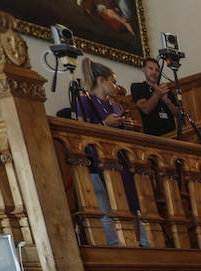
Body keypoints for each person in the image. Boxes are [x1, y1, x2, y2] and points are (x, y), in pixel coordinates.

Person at [72, 58, 145, 248]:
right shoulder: (85, 101)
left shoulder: (116, 106)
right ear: (101, 80)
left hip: (120, 160)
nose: (115, 86)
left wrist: (127, 126)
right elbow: (82, 132)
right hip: (97, 162)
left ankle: (139, 243)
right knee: (106, 209)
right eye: (112, 81)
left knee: (132, 205)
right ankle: (114, 245)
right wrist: (105, 124)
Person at [129, 56, 177, 137]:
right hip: (153, 138)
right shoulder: (138, 87)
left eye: (157, 70)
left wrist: (167, 102)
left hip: (172, 135)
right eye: (150, 68)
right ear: (143, 69)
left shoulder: (165, 90)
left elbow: (179, 115)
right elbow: (146, 109)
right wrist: (157, 94)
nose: (154, 72)